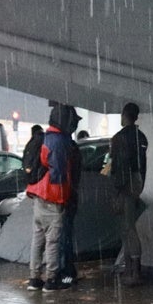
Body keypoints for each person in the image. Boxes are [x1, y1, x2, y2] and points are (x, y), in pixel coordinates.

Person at [26, 104, 76, 292]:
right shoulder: (59, 141)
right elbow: (59, 174)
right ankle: (52, 279)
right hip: (53, 197)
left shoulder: (45, 137)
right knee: (53, 240)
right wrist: (65, 198)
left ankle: (34, 278)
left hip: (38, 194)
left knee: (38, 238)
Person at [110, 102, 149, 286]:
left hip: (125, 184)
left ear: (125, 115)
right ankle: (131, 268)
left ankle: (133, 270)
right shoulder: (140, 137)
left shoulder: (119, 138)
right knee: (128, 225)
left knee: (127, 227)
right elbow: (142, 165)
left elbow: (119, 166)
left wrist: (117, 189)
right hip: (137, 180)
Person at [57, 108, 83, 287]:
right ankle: (67, 271)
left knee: (62, 235)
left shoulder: (62, 145)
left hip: (63, 197)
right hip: (69, 196)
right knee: (65, 234)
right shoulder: (71, 147)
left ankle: (63, 271)